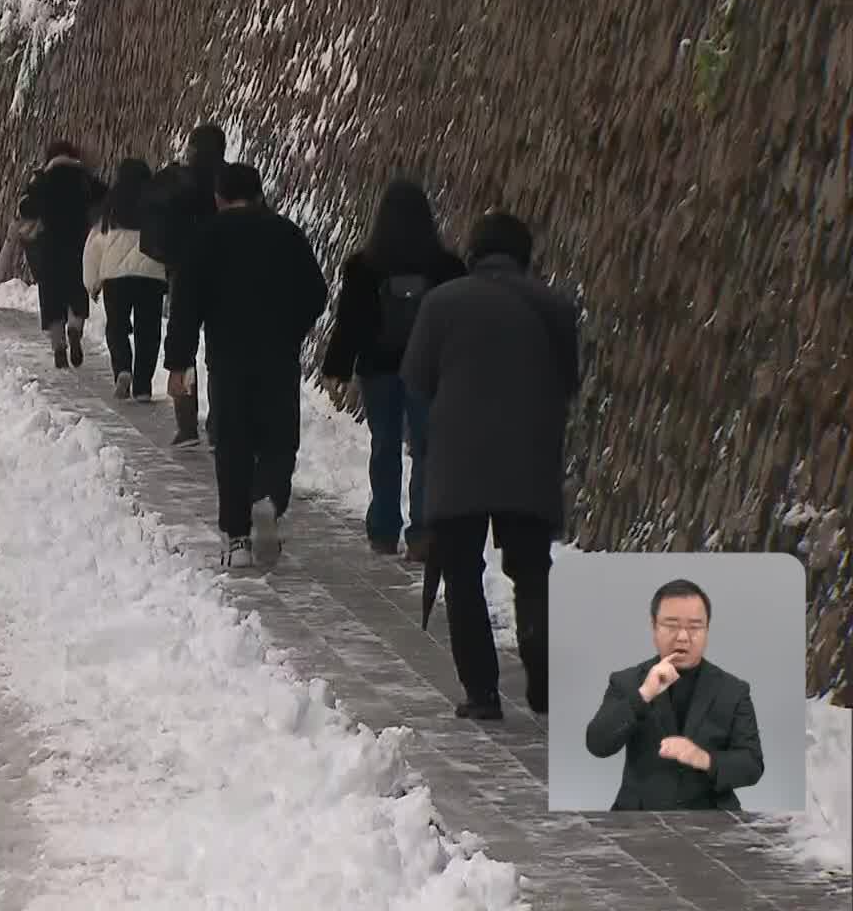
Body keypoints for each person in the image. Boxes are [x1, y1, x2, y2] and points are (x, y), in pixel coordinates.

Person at [402, 210, 579, 719]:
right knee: (531, 571)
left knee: (461, 571)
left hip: (458, 457)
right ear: (525, 256)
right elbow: (566, 382)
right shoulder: (555, 307)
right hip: (529, 453)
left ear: (474, 254)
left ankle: (481, 692)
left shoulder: (441, 304)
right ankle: (543, 682)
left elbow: (416, 376)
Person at [164, 162, 328, 567]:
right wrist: (292, 329)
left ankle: (237, 538)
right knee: (278, 438)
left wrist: (179, 361)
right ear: (259, 194)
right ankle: (269, 497)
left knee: (232, 442)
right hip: (278, 356)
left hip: (228, 357)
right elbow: (316, 292)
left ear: (219, 197)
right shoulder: (287, 233)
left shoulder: (205, 238)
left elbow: (185, 304)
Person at [319, 179, 467, 560]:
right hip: (427, 370)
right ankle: (422, 533)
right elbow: (458, 321)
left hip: (378, 368)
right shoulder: (446, 267)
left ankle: (383, 530)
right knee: (426, 449)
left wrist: (336, 366)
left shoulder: (363, 266)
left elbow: (348, 321)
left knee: (384, 446)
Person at [584, 579, 765, 810]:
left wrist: (704, 759)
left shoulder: (733, 690)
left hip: (712, 821)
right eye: (671, 625)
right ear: (654, 627)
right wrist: (643, 695)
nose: (682, 637)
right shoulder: (627, 682)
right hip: (639, 820)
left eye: (694, 627)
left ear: (707, 629)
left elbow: (752, 765)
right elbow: (597, 744)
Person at [141, 124, 226, 446]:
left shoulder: (176, 181)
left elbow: (152, 209)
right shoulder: (229, 181)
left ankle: (187, 424)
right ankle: (219, 425)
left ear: (192, 148)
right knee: (220, 350)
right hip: (225, 273)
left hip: (184, 272)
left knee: (183, 347)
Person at [16, 140, 107, 369]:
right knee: (77, 291)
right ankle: (75, 329)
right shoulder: (83, 178)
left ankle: (58, 346)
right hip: (78, 245)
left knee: (52, 296)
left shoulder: (43, 179)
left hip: (50, 248)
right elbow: (106, 197)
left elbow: (26, 208)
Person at [83, 158, 169, 400]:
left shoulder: (110, 206)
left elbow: (93, 248)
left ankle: (122, 369)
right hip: (151, 275)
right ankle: (143, 386)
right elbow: (168, 239)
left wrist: (92, 283)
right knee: (148, 330)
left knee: (117, 325)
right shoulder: (158, 203)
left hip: (115, 276)